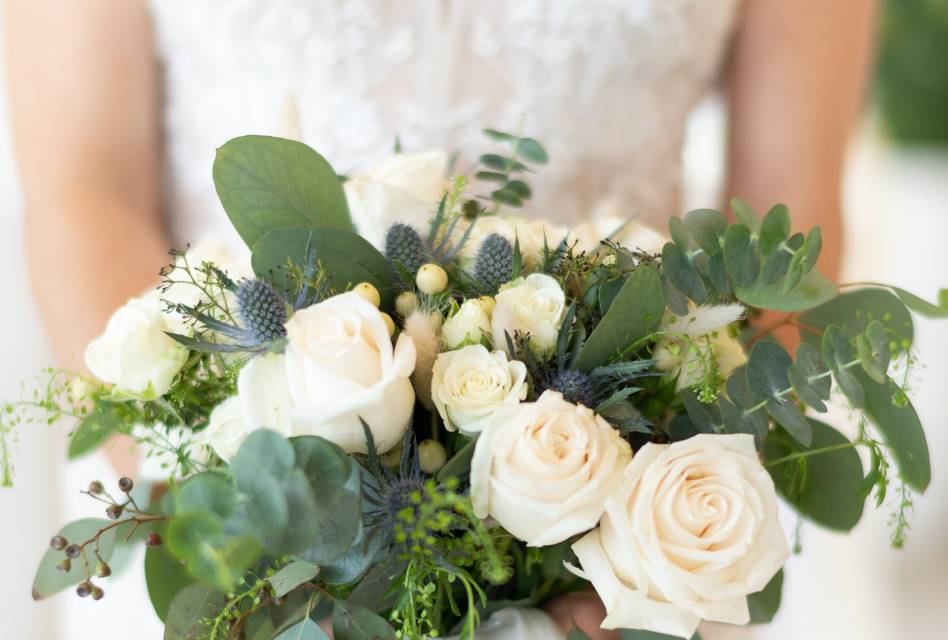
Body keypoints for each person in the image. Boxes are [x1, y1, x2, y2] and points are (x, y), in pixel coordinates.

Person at [4, 1, 876, 638]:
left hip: (609, 551)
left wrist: (634, 559)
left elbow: (787, 213)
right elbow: (88, 190)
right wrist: (212, 514)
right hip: (248, 530)